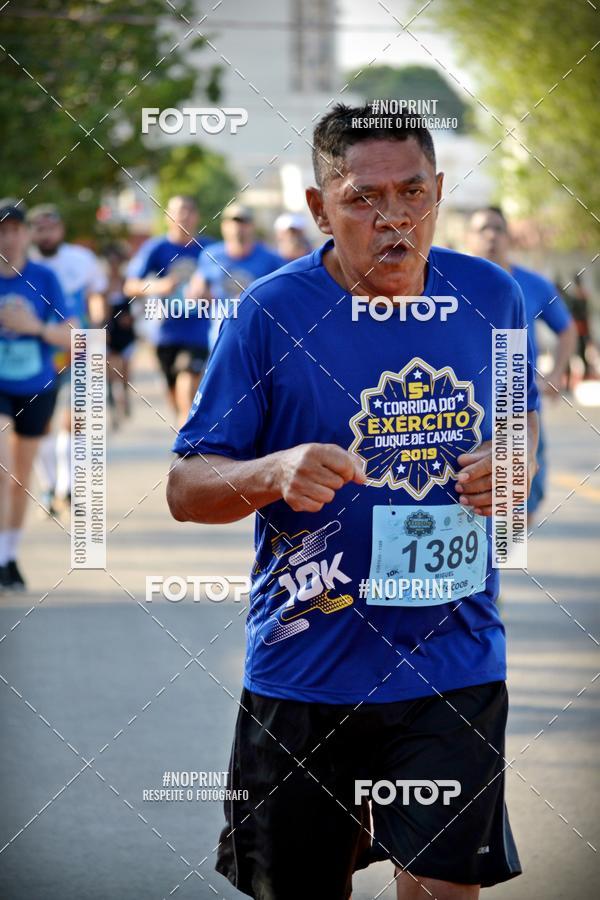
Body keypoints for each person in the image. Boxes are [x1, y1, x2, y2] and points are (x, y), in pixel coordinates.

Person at [167, 104, 539, 900]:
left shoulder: (493, 296)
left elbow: (520, 416)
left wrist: (517, 458)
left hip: (454, 661)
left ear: (439, 191)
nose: (394, 218)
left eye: (412, 192)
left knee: (444, 888)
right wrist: (273, 472)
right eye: (363, 198)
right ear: (318, 208)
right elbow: (185, 487)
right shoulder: (270, 313)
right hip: (310, 669)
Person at [466, 207, 576, 521]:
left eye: (498, 229)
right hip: (467, 404)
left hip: (516, 403)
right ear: (469, 238)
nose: (491, 236)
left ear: (509, 237)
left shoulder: (533, 284)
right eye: (483, 229)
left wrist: (556, 373)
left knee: (522, 495)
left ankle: (512, 543)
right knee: (470, 490)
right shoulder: (453, 283)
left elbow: (567, 330)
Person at [0, 200, 74, 590]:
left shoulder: (44, 278)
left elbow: (73, 336)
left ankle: (8, 558)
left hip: (36, 385)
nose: (8, 238)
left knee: (19, 478)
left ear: (26, 234)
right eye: (2, 231)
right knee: (3, 468)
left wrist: (34, 327)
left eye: (15, 230)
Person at [28, 203, 108, 514]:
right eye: (39, 229)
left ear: (61, 230)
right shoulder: (24, 263)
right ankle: (48, 487)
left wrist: (98, 325)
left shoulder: (81, 259)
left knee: (75, 419)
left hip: (79, 348)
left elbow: (96, 294)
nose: (46, 235)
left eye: (51, 228)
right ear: (30, 233)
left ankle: (68, 486)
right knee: (41, 423)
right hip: (38, 352)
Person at [123, 195, 214, 427]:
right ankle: (184, 430)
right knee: (175, 397)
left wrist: (210, 294)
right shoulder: (157, 248)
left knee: (188, 386)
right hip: (165, 333)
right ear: (167, 217)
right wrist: (159, 286)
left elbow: (228, 283)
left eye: (189, 210)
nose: (183, 216)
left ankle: (188, 438)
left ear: (196, 216)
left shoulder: (210, 248)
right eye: (178, 211)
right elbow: (130, 286)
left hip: (198, 331)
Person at [187, 203, 284, 344]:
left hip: (257, 333)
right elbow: (198, 287)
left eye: (243, 222)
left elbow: (282, 294)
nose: (238, 227)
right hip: (220, 334)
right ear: (223, 226)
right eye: (232, 222)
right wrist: (198, 291)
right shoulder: (210, 255)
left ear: (252, 226)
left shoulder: (270, 259)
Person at [103, 242, 137, 428]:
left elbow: (141, 305)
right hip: (109, 333)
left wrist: (132, 317)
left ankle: (125, 400)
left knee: (125, 372)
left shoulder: (128, 283)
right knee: (110, 373)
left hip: (126, 333)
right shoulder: (102, 285)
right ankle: (113, 410)